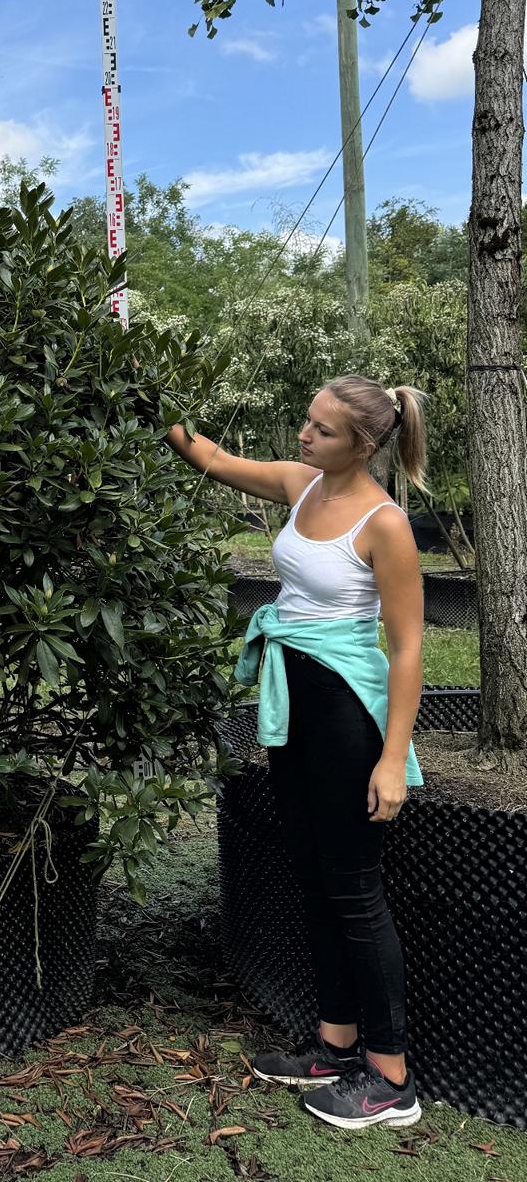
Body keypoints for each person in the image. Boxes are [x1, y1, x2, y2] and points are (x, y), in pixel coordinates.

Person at [166, 375, 426, 1132]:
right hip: (294, 708)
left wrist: (390, 759)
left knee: (354, 891)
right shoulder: (302, 485)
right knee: (315, 878)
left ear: (365, 444)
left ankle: (390, 1078)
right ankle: (335, 1046)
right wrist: (148, 397)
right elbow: (209, 458)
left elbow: (408, 649)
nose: (304, 436)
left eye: (322, 430)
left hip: (348, 712)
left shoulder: (385, 524)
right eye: (306, 422)